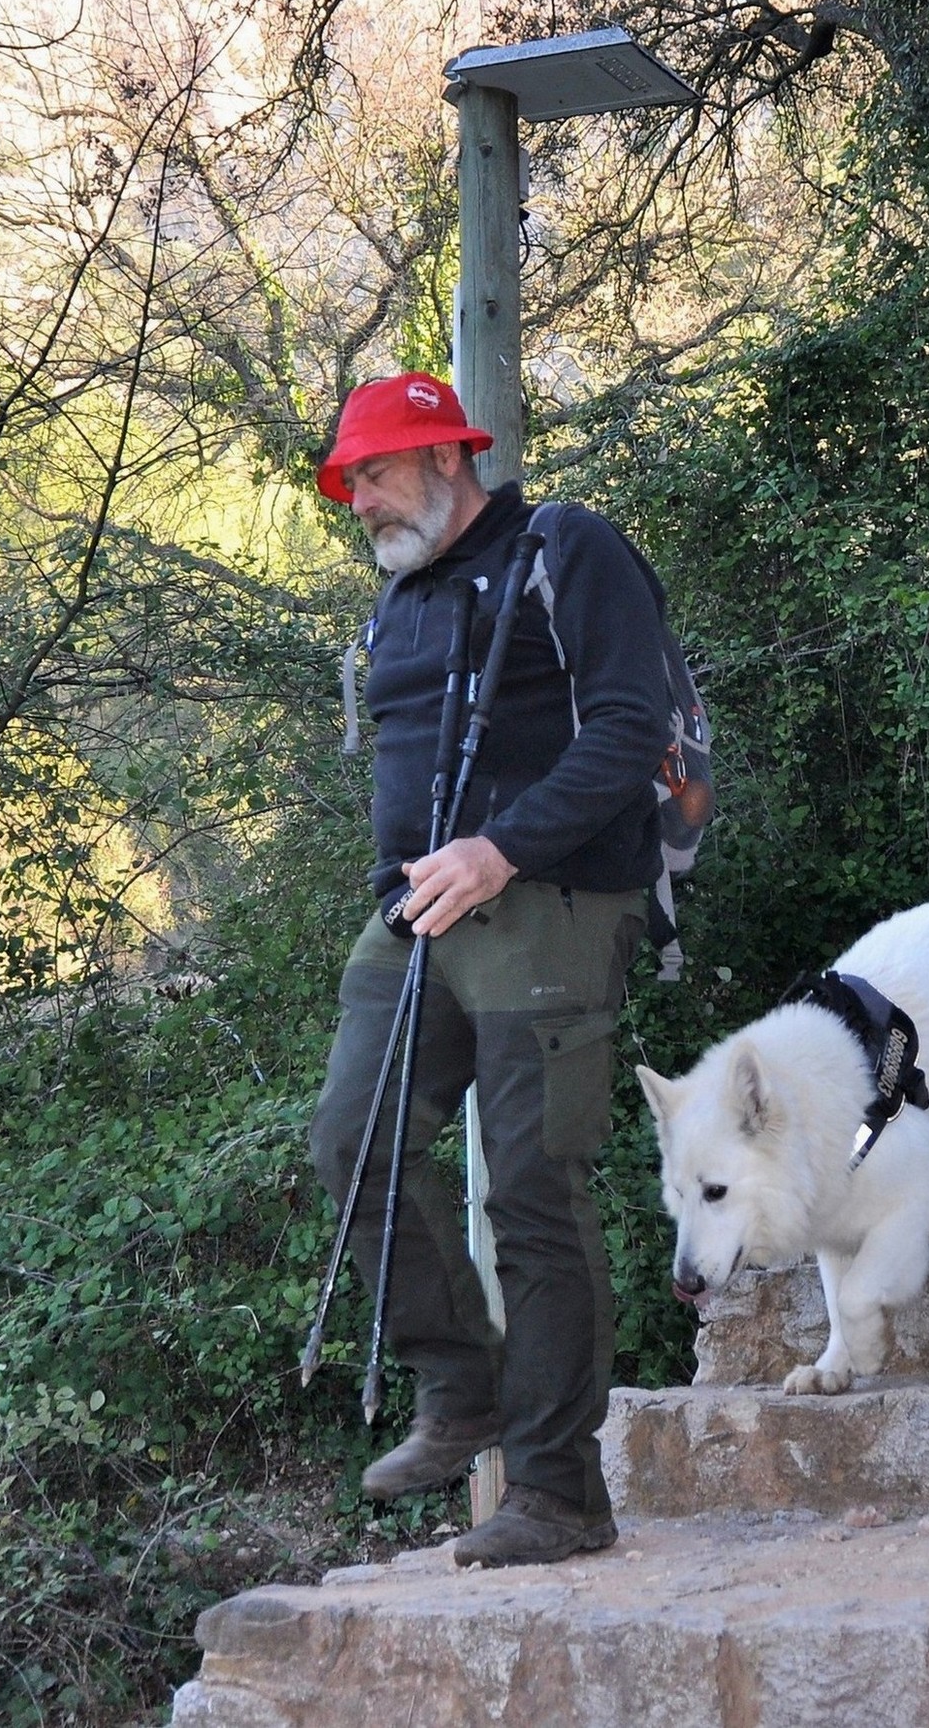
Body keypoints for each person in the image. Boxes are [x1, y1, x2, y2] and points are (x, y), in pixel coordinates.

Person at [305, 373, 672, 1569]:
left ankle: (560, 1490)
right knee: (351, 1141)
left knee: (530, 1186)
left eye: (374, 471)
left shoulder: (565, 548)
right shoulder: (403, 596)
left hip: (549, 899)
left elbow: (631, 729)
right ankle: (462, 1388)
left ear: (448, 454)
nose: (360, 499)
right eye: (350, 481)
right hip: (417, 912)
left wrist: (500, 846)